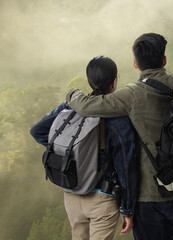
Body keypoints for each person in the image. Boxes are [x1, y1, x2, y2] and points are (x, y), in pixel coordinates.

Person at [66, 31, 173, 240]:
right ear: (164, 60)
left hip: (147, 196)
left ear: (135, 64)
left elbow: (86, 106)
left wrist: (71, 93)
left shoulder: (132, 95)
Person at [30, 56, 137, 240]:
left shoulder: (72, 110)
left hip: (71, 195)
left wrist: (69, 154)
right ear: (114, 81)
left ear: (90, 80)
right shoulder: (119, 120)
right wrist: (128, 209)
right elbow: (126, 168)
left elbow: (37, 130)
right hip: (102, 199)